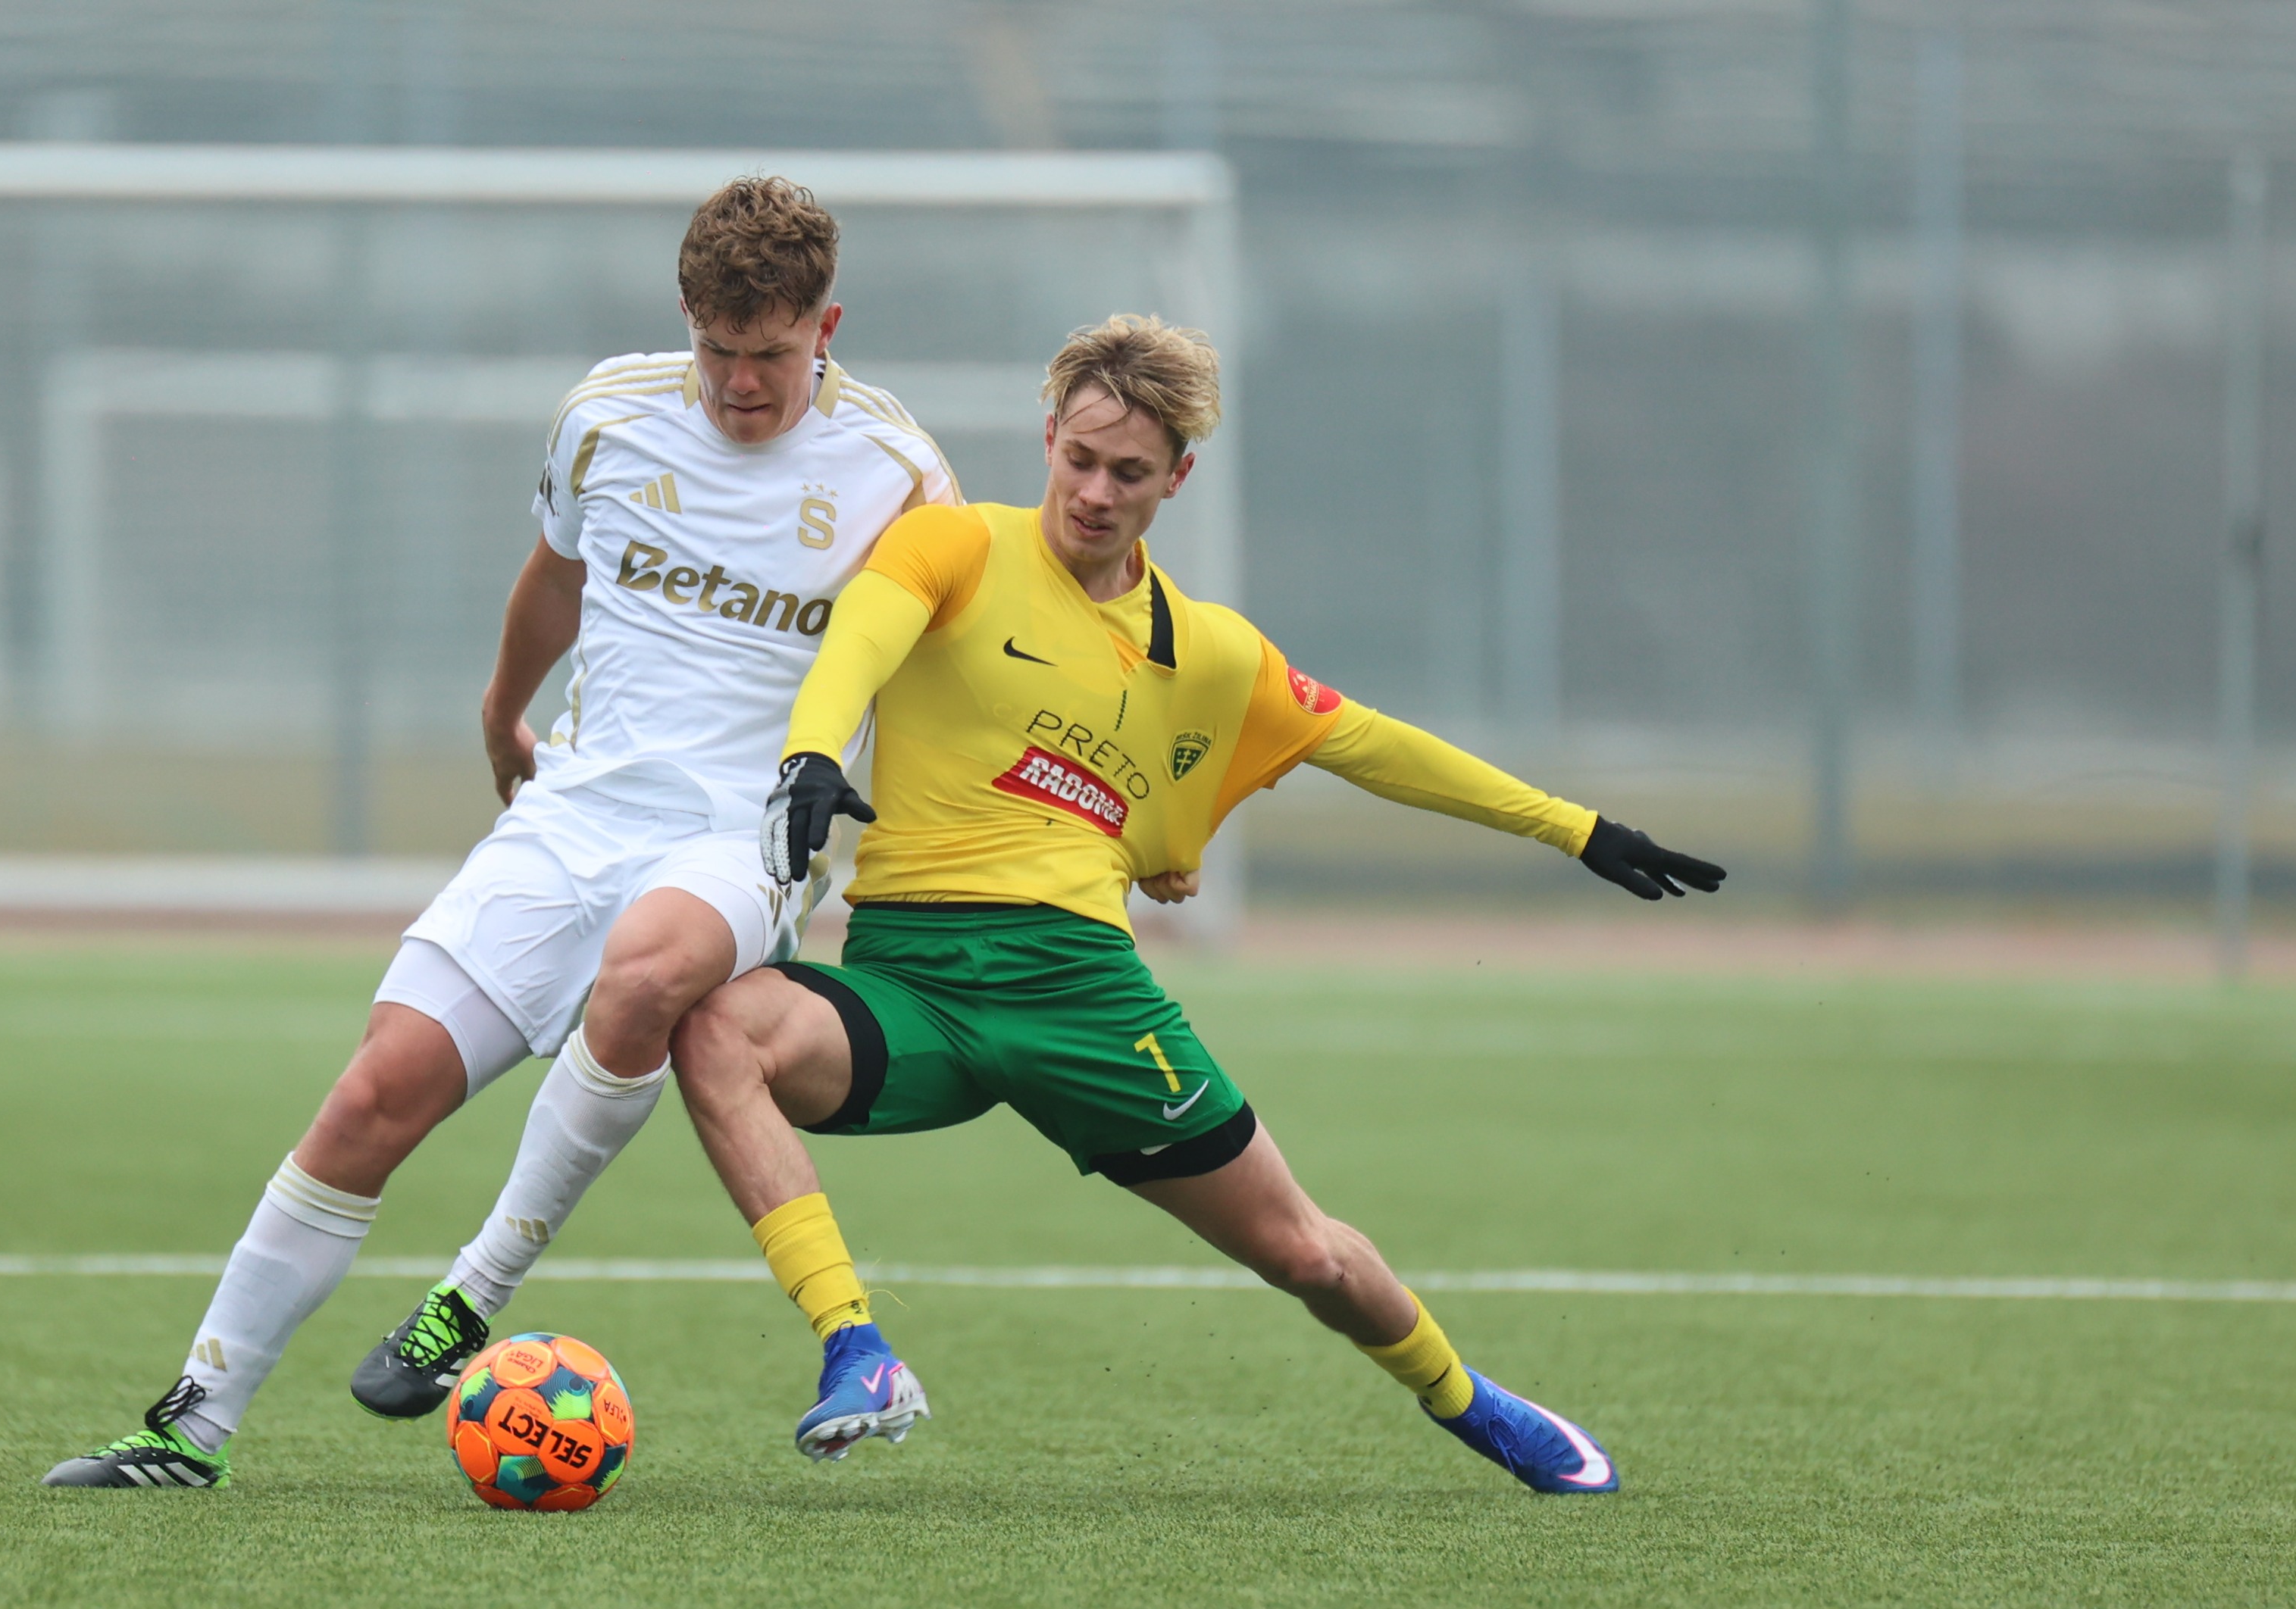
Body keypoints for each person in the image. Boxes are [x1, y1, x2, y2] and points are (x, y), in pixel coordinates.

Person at [672, 314, 1725, 1485]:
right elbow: (855, 649)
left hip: (1083, 998)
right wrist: (811, 757)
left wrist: (1576, 830)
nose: (1093, 493)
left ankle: (1467, 1400)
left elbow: (1376, 746)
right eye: (1079, 459)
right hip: (908, 985)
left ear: (1176, 478)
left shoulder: (1210, 654)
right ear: (1047, 438)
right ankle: (856, 1350)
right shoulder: (952, 546)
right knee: (717, 1030)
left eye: (1127, 473)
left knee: (1306, 1255)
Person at [45, 177, 957, 1488]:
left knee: (647, 970)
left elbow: (943, 670)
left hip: (741, 829)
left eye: (770, 353)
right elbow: (557, 576)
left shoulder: (899, 472)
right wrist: (498, 715)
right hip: (576, 808)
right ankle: (189, 1427)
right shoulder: (606, 417)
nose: (739, 383)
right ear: (684, 316)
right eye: (716, 349)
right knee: (376, 1091)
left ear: (828, 326)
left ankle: (472, 1292)